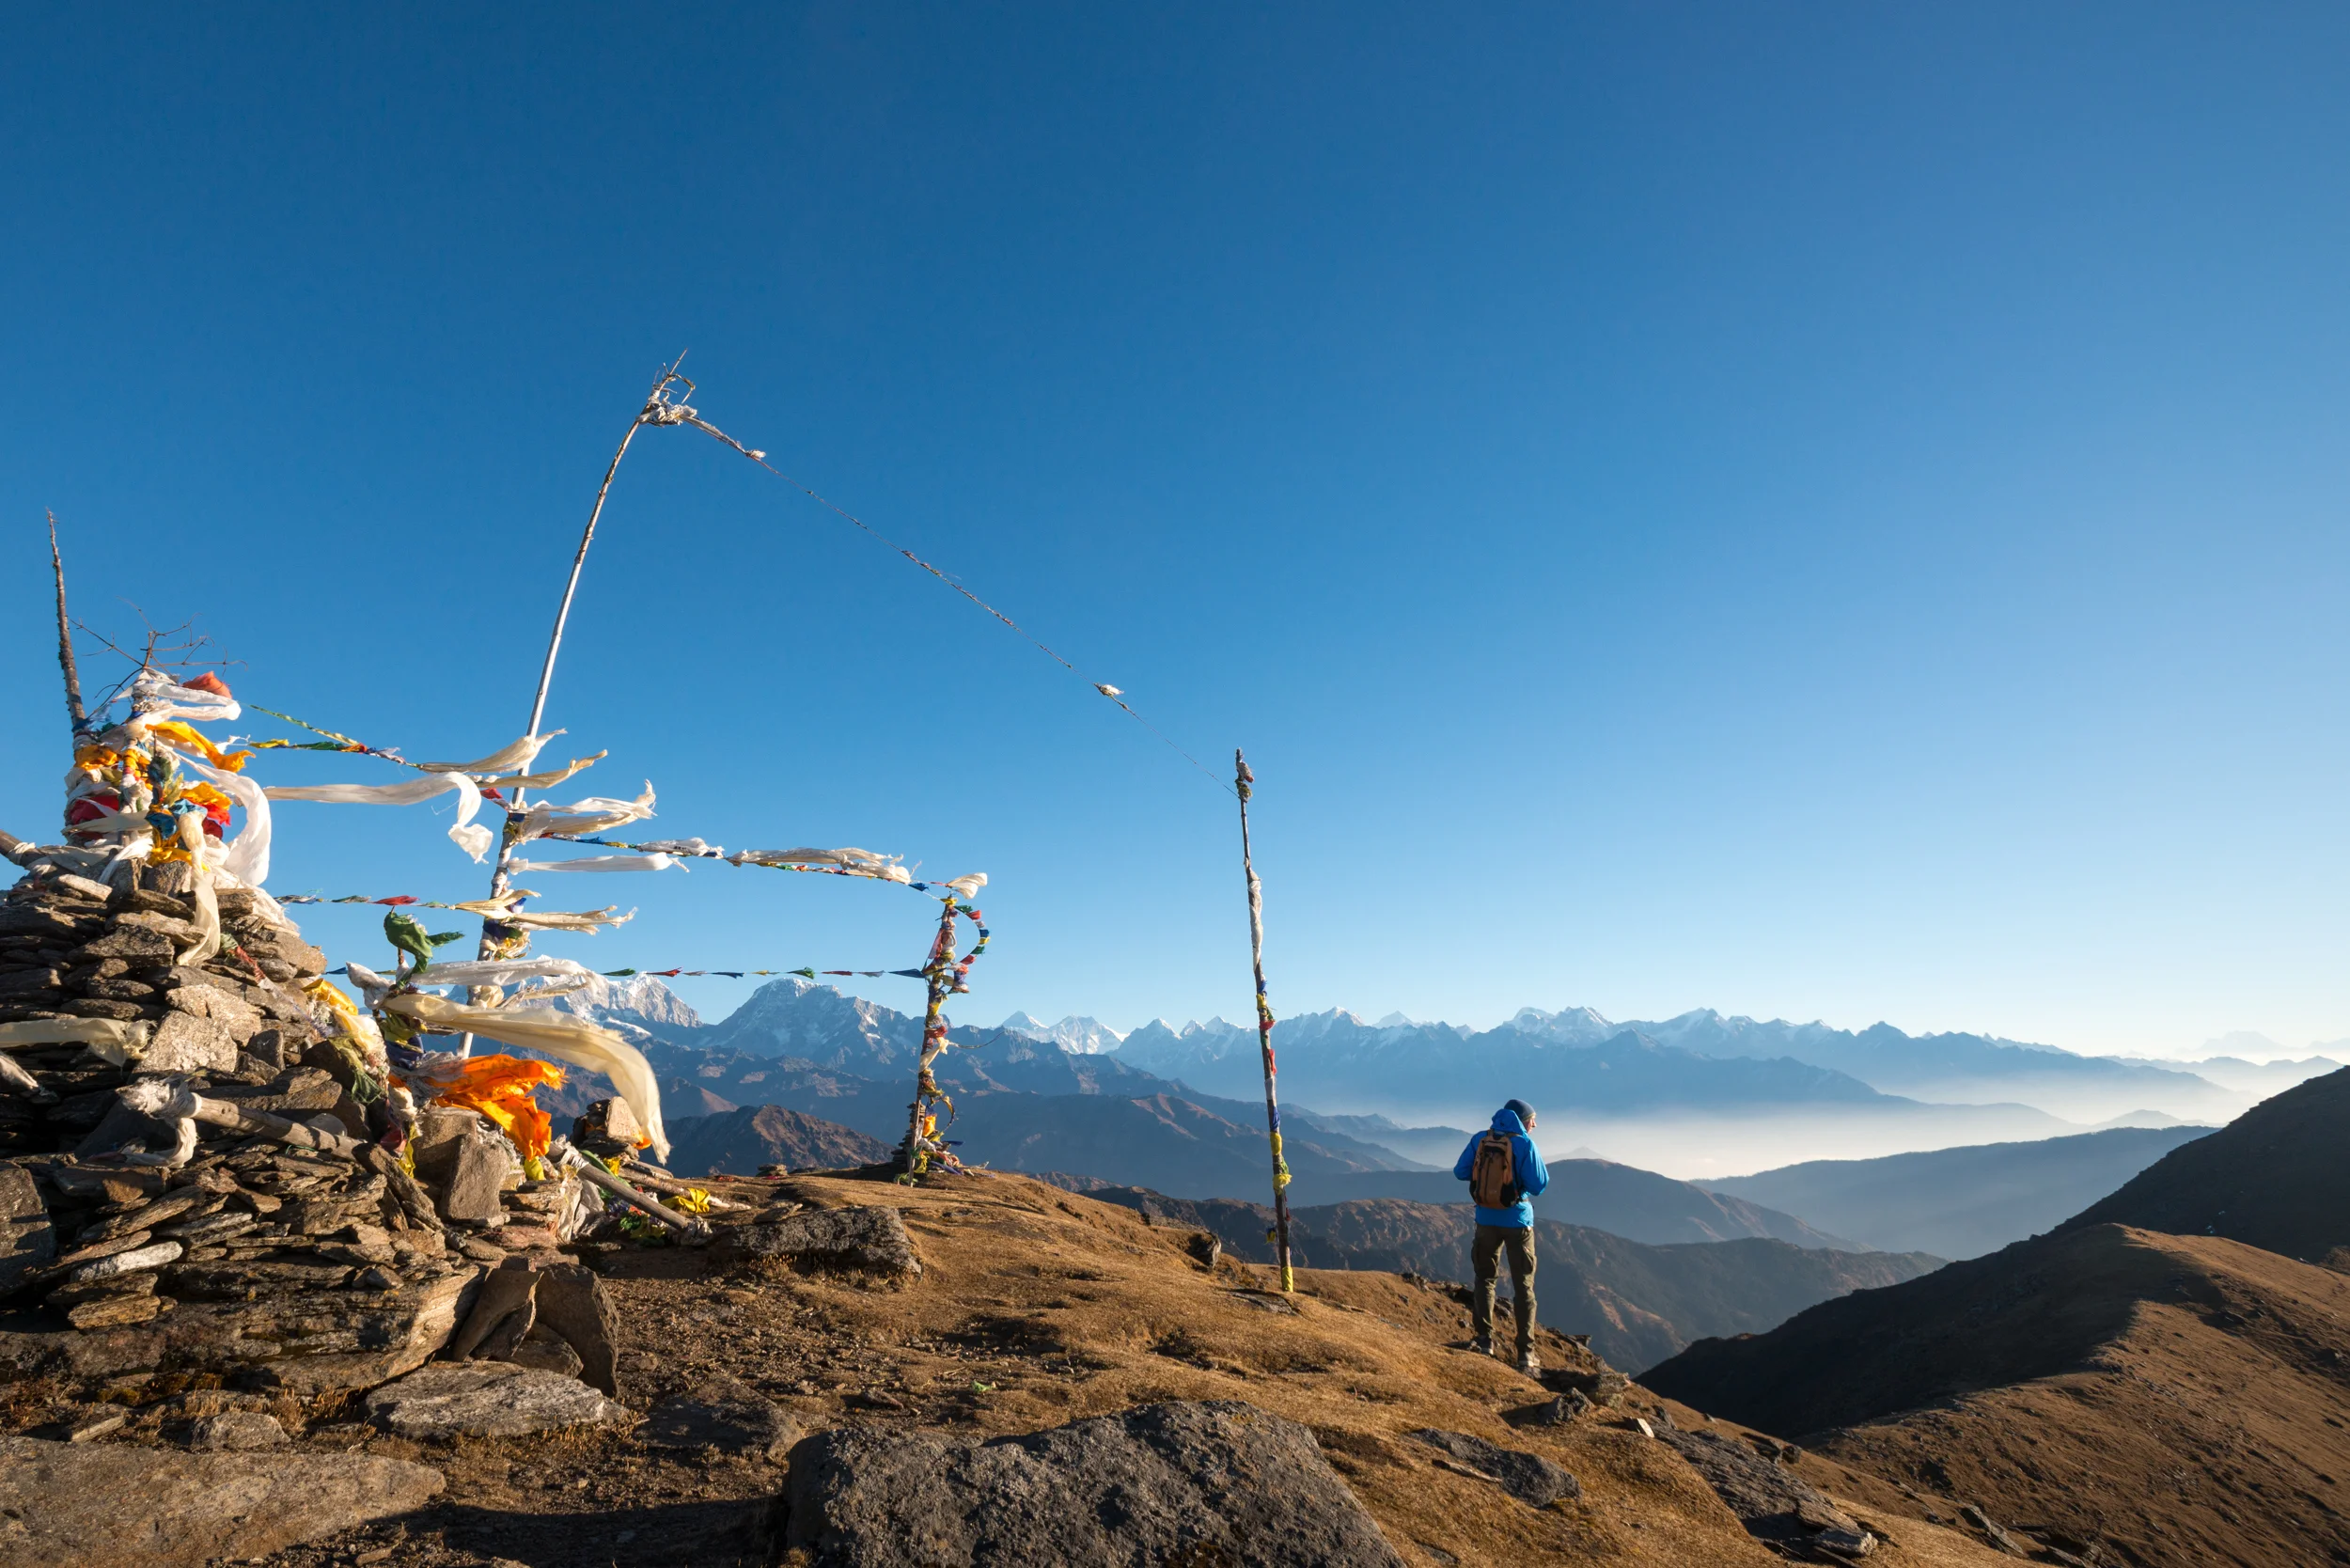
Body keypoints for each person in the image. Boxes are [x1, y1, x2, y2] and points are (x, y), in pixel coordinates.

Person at [1452, 1097, 1551, 1376]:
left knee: (1485, 1279)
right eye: (1533, 1119)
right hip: (1518, 1221)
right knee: (1524, 1286)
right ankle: (1525, 1354)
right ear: (1523, 1119)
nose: (1535, 1124)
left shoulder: (1480, 1139)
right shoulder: (1524, 1144)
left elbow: (1460, 1172)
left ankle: (1484, 1341)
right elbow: (1539, 1184)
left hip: (1485, 1219)